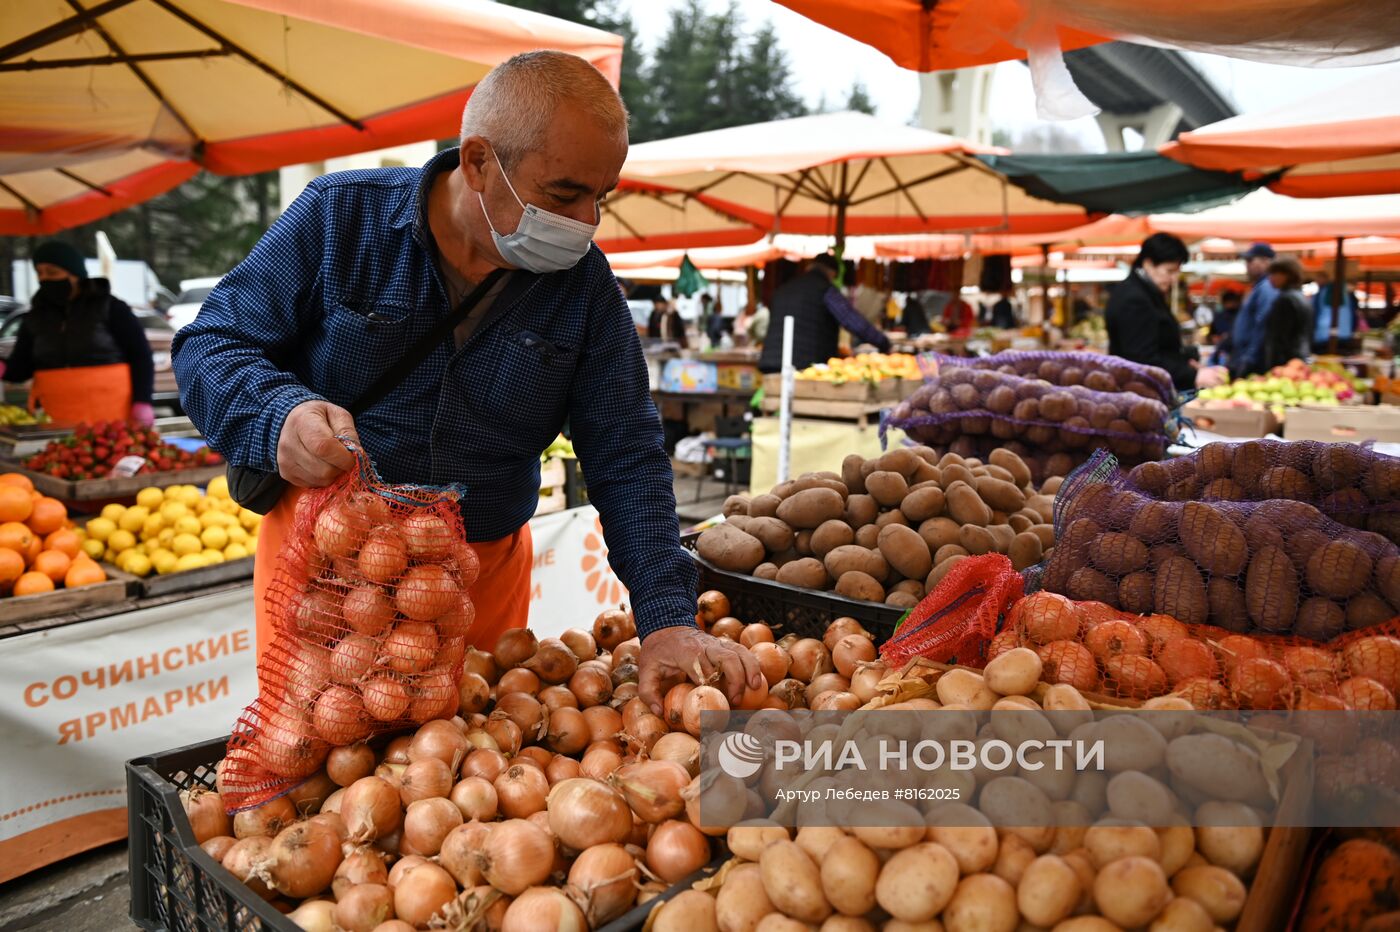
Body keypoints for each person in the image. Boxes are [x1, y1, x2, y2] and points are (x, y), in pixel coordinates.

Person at [172, 52, 760, 714]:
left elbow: (626, 453)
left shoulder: (585, 290)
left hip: (478, 578)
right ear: (478, 161)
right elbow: (212, 344)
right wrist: (278, 415)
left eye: (601, 196)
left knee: (468, 752)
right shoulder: (341, 218)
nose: (586, 221)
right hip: (329, 573)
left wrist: (667, 616)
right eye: (564, 193)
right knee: (312, 745)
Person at [0, 241, 155, 426]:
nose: (44, 279)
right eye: (39, 273)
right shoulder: (34, 317)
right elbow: (21, 368)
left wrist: (142, 400)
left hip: (111, 418)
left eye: (52, 272)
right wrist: (4, 368)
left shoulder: (111, 308)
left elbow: (141, 356)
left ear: (75, 274)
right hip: (53, 418)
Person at [1105, 233, 1224, 391]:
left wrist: (1185, 361)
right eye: (1169, 271)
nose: (1174, 278)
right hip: (1139, 395)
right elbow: (1142, 360)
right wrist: (1191, 375)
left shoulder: (1147, 292)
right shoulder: (1134, 299)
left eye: (1177, 271)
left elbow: (1160, 347)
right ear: (1148, 264)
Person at [758, 254, 890, 372]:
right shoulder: (825, 290)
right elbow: (854, 322)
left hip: (769, 363)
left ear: (809, 267)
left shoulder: (783, 289)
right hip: (805, 367)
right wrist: (883, 342)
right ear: (831, 273)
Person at [1230, 242, 1279, 378]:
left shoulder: (1267, 288)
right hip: (1247, 356)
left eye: (1250, 260)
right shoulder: (1260, 287)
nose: (1247, 265)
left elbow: (1263, 325)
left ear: (1266, 261)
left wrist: (1249, 359)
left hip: (1255, 362)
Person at [1262, 257, 1313, 369]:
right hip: (1300, 357)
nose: (1271, 278)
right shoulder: (1301, 297)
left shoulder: (1285, 299)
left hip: (1286, 362)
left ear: (1287, 275)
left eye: (1274, 273)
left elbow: (1280, 337)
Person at [1312, 269, 1357, 351]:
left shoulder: (1322, 293)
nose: (1317, 281)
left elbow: (1314, 313)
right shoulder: (1346, 293)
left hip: (1324, 335)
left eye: (1318, 278)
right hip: (1344, 335)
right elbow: (1354, 314)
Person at [1207, 290, 1242, 366]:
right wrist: (1217, 338)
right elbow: (1212, 335)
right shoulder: (1219, 316)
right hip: (1223, 352)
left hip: (1234, 352)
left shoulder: (1240, 315)